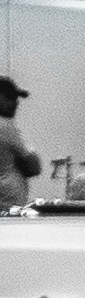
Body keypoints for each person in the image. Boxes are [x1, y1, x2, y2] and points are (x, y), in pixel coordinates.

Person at [0, 79, 38, 211]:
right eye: (10, 98)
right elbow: (34, 166)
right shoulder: (5, 126)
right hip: (7, 206)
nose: (16, 103)